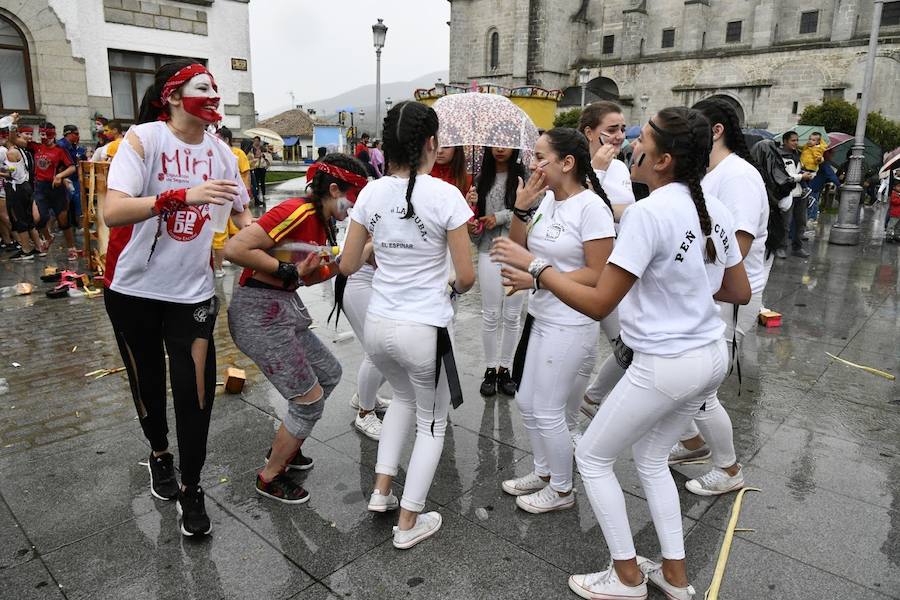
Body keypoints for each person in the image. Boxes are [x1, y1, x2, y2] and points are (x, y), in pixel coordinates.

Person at [492, 106, 750, 600]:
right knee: (651, 457)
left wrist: (538, 268)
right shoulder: (711, 208)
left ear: (664, 160)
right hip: (707, 355)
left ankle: (627, 575)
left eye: (643, 140)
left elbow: (598, 302)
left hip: (665, 364)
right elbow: (736, 289)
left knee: (592, 456)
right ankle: (674, 575)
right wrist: (682, 286)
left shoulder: (648, 213)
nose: (631, 144)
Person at [102, 60, 250, 537]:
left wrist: (289, 253)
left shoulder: (223, 154)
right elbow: (113, 212)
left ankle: (192, 484)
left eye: (215, 88)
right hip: (132, 289)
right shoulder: (144, 140)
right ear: (171, 96)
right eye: (201, 87)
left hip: (193, 293)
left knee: (196, 392)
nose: (213, 96)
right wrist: (183, 196)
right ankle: (159, 453)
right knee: (147, 380)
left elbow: (246, 224)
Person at [339, 100, 475, 549]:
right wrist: (449, 284)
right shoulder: (445, 196)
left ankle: (382, 493)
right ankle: (409, 521)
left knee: (400, 399)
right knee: (432, 424)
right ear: (431, 144)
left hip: (380, 324)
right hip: (424, 330)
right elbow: (467, 276)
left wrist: (384, 252)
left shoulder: (371, 194)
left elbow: (347, 264)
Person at [225, 153, 368, 503]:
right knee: (308, 400)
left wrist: (357, 255)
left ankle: (287, 447)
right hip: (259, 314)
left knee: (330, 374)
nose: (354, 208)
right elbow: (235, 247)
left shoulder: (322, 221)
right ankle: (270, 475)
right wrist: (289, 272)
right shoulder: (296, 210)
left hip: (283, 310)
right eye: (353, 198)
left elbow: (310, 275)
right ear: (334, 189)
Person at [496, 128, 615, 515]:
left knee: (550, 411)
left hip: (571, 322)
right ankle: (545, 472)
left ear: (567, 163)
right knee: (528, 402)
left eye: (540, 157)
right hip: (541, 315)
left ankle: (563, 489)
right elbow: (517, 252)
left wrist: (536, 277)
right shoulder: (546, 199)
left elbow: (598, 273)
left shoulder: (591, 207)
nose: (533, 164)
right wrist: (520, 208)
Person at [666, 97, 771, 497]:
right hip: (705, 292)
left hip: (727, 296)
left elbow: (737, 248)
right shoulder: (711, 172)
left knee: (701, 387)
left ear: (715, 131)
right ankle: (694, 443)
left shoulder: (738, 176)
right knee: (694, 382)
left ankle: (728, 469)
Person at [575, 101, 636, 430]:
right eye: (611, 129)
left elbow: (629, 212)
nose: (619, 136)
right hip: (580, 270)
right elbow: (576, 209)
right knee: (579, 357)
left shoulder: (622, 168)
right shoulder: (574, 164)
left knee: (626, 346)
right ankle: (573, 418)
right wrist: (594, 173)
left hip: (615, 267)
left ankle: (591, 400)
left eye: (623, 129)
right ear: (589, 132)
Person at [468, 147, 528, 397]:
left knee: (512, 315)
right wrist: (473, 221)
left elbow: (532, 210)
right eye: (495, 143)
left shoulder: (523, 176)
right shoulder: (481, 179)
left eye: (505, 143)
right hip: (488, 250)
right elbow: (478, 226)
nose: (500, 149)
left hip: (518, 250)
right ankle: (491, 368)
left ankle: (506, 368)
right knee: (491, 314)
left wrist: (500, 217)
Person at [28, 121, 78, 260]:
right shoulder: (36, 147)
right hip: (40, 188)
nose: (46, 138)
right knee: (38, 219)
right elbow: (13, 140)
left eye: (48, 135)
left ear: (54, 134)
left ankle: (71, 247)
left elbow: (72, 167)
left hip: (56, 188)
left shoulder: (60, 150)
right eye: (43, 135)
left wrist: (60, 176)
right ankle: (48, 237)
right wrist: (12, 125)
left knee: (63, 221)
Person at [212, 126, 252, 278]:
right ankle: (222, 260)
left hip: (234, 196)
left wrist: (246, 191)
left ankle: (228, 257)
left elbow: (246, 172)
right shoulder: (215, 151)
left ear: (226, 139)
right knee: (221, 232)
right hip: (222, 198)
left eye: (219, 137)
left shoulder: (236, 154)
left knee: (227, 231)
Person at [3, 126, 42, 260]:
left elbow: (10, 173)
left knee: (19, 219)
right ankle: (39, 247)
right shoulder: (21, 150)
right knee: (28, 219)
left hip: (17, 188)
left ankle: (26, 250)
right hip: (25, 186)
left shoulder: (11, 152)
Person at [777, 131, 814, 259]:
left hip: (800, 193)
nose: (796, 143)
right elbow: (782, 176)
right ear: (785, 141)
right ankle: (781, 247)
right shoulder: (778, 155)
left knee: (800, 221)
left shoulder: (798, 154)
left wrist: (806, 175)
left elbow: (799, 170)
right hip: (787, 193)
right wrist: (800, 176)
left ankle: (797, 247)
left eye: (797, 140)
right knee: (785, 223)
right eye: (793, 140)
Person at [58, 124, 87, 224]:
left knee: (78, 202)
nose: (78, 136)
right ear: (69, 134)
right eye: (76, 133)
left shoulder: (74, 146)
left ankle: (78, 225)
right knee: (64, 204)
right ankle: (58, 227)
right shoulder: (61, 145)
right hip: (64, 178)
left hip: (75, 178)